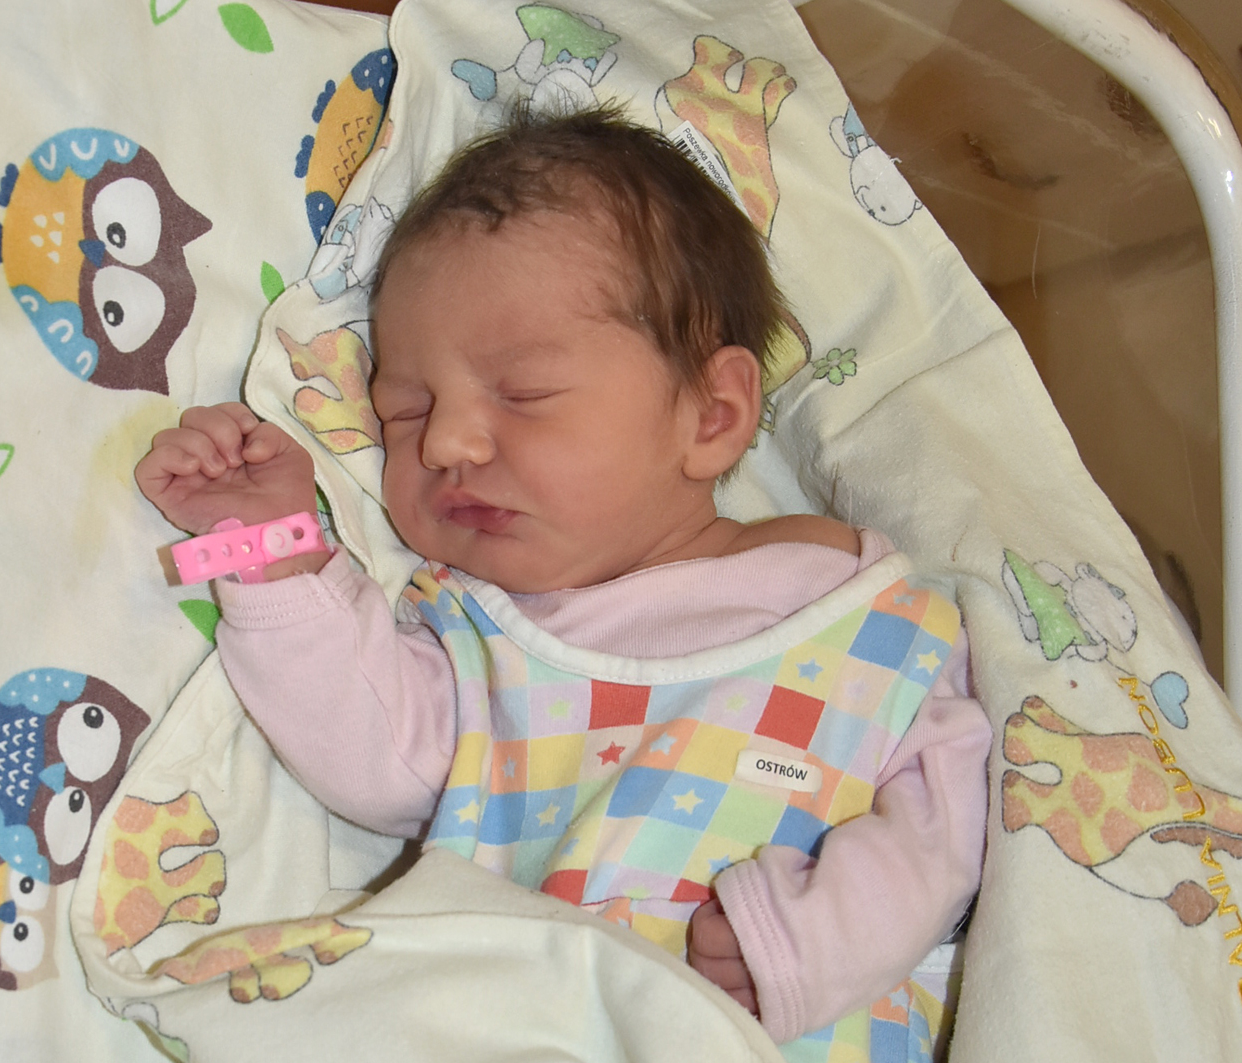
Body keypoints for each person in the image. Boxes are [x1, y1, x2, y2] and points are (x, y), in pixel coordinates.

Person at [136, 106, 991, 1056]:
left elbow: (943, 827)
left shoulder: (859, 612)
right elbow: (370, 755)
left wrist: (802, 948)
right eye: (405, 411)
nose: (447, 443)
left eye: (524, 394)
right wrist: (268, 544)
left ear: (711, 415)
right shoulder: (477, 643)